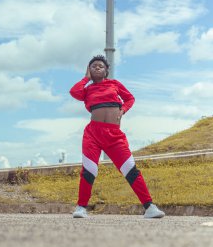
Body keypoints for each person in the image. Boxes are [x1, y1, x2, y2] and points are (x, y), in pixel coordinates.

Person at [69, 55, 165, 219]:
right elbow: (74, 92)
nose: (97, 67)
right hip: (93, 133)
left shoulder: (114, 84)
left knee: (130, 169)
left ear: (106, 71)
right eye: (93, 66)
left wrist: (123, 110)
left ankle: (149, 207)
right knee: (89, 170)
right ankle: (81, 208)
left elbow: (130, 98)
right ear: (89, 71)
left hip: (114, 135)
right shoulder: (87, 90)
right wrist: (86, 78)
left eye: (100, 66)